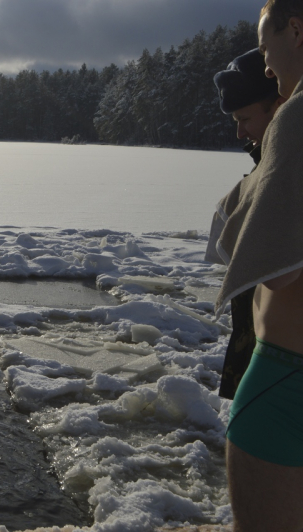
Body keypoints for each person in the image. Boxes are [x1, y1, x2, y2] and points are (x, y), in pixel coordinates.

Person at [207, 1, 303, 529]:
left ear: (296, 31)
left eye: (267, 49)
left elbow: (279, 271)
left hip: (285, 377)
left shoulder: (295, 116)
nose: (268, 65)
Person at [209, 48, 282, 400]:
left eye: (244, 118)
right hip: (262, 357)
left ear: (279, 108)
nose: (239, 133)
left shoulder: (287, 173)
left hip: (281, 365)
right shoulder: (268, 166)